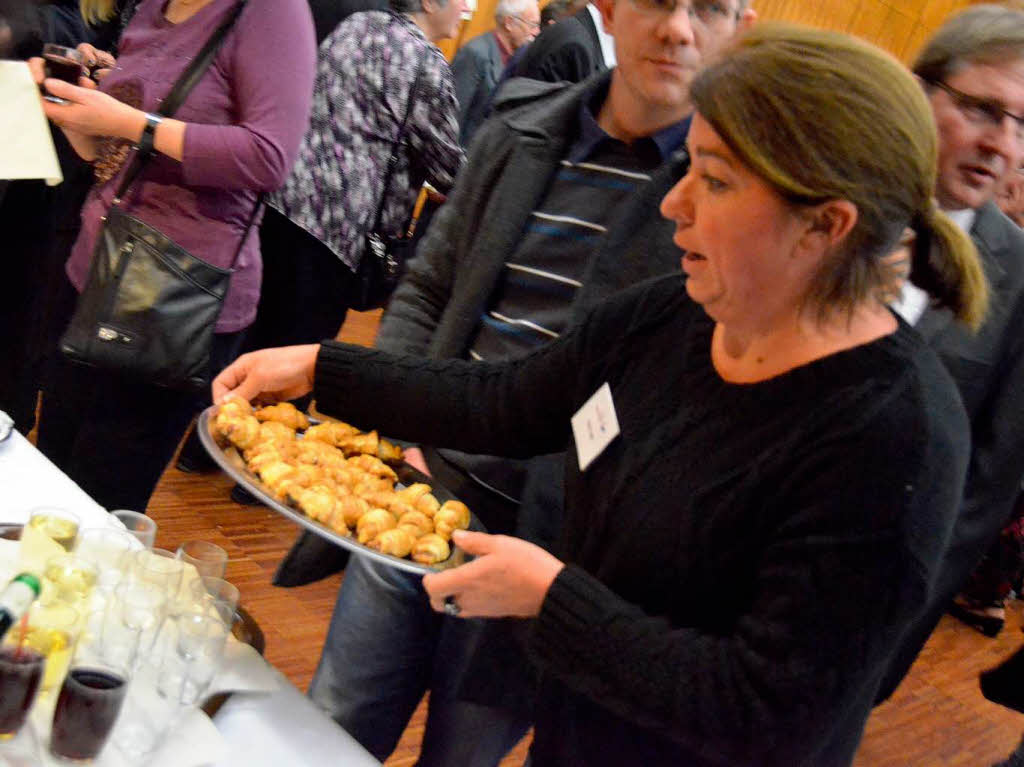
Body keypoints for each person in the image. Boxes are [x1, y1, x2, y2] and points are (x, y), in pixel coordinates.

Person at [215, 24, 986, 764]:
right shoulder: (675, 316)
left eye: (713, 180)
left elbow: (764, 710)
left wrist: (551, 598)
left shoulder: (893, 435)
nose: (672, 203)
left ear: (825, 227)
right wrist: (326, 369)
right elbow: (506, 401)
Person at [270, 0, 753, 763]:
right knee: (329, 728)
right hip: (423, 488)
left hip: (554, 550)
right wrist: (401, 441)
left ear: (741, 26)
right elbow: (429, 285)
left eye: (710, 8)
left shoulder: (730, 200)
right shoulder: (527, 127)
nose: (679, 29)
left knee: (462, 754)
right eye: (660, 1)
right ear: (616, 10)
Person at [27, 0, 316, 512]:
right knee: (48, 482)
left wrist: (134, 123)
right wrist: (72, 113)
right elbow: (106, 156)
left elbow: (269, 157)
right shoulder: (150, 9)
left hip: (174, 297)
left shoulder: (269, 11)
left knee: (97, 508)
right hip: (95, 273)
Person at [174, 0, 465, 481]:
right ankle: (265, 478)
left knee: (257, 339)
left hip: (281, 201)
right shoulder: (425, 62)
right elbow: (449, 167)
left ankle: (204, 449)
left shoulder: (356, 25)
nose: (467, 8)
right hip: (339, 225)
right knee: (297, 356)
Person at [877, 2, 1024, 697]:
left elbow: (983, 489)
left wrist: (892, 608)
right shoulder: (824, 201)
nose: (1004, 145)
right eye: (984, 110)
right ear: (919, 90)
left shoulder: (1020, 280)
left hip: (862, 607)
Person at [450, 0, 539, 146]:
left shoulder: (520, 59)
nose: (536, 32)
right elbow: (453, 117)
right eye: (532, 25)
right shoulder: (475, 53)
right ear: (509, 23)